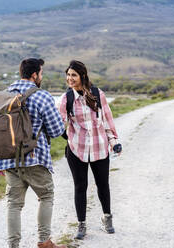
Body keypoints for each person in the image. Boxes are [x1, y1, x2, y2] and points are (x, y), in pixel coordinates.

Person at [0, 58, 66, 248]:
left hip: (7, 159)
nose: (41, 76)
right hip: (35, 158)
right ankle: (44, 241)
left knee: (14, 204)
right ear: (34, 75)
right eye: (41, 73)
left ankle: (13, 245)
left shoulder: (1, 96)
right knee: (46, 196)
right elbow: (57, 130)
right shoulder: (42, 96)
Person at [58, 60, 121, 240]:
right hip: (76, 149)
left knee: (103, 185)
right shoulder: (66, 98)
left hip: (99, 147)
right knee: (80, 187)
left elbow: (107, 120)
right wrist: (67, 136)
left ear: (82, 76)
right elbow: (58, 123)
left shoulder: (97, 94)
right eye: (68, 75)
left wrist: (113, 141)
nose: (70, 79)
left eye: (74, 75)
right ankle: (81, 224)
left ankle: (107, 218)